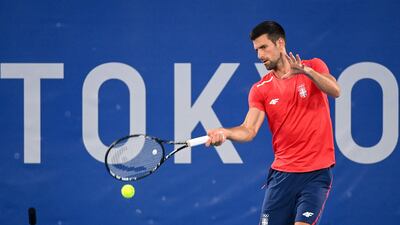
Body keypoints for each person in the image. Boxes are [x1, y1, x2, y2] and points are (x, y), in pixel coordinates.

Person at [206, 21, 340, 225]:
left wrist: (307, 72)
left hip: (316, 174)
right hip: (282, 177)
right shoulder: (260, 89)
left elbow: (335, 90)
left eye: (263, 47)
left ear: (280, 43)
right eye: (256, 50)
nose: (260, 56)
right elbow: (248, 130)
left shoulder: (314, 66)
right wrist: (226, 133)